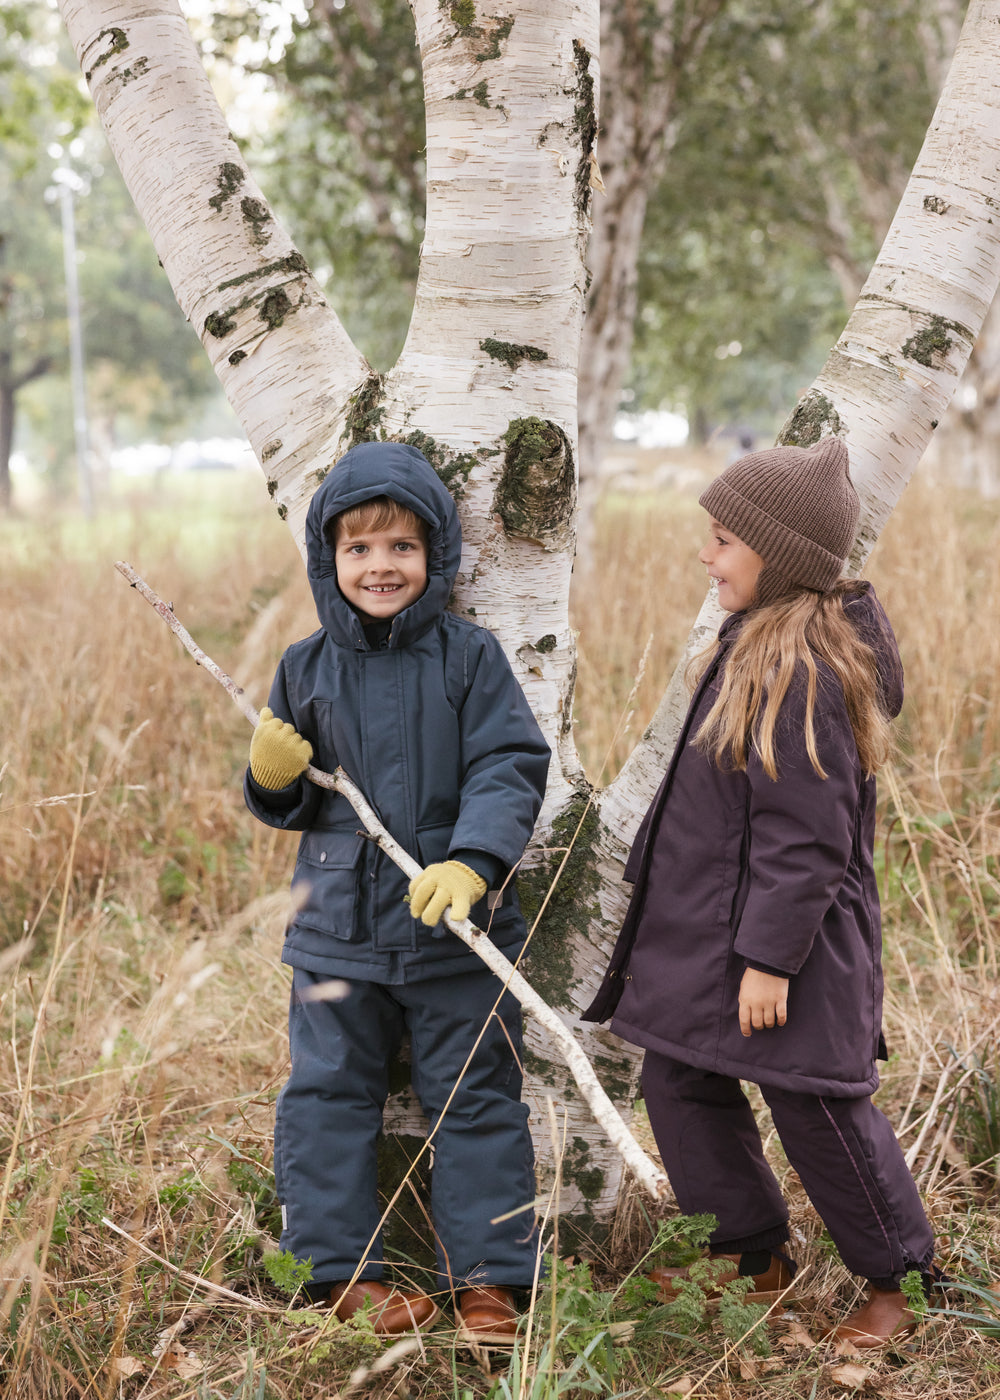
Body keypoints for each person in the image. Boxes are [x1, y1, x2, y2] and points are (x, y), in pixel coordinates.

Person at [583, 437, 937, 1350]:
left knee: (815, 1105)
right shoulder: (750, 644)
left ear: (777, 557)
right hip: (711, 940)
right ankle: (749, 1255)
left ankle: (901, 1278)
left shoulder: (800, 669)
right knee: (678, 1078)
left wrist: (769, 961)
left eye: (724, 541)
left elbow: (808, 838)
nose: (705, 555)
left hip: (789, 949)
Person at [245, 440, 550, 1342]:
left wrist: (474, 862)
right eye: (359, 548)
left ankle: (490, 1281)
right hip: (336, 931)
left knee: (475, 1096)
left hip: (456, 929)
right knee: (328, 1095)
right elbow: (300, 798)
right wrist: (270, 778)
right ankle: (336, 1272)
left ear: (436, 555)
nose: (381, 566)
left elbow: (508, 763)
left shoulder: (470, 658)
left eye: (402, 547)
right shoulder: (305, 668)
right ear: (328, 559)